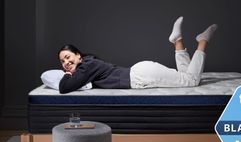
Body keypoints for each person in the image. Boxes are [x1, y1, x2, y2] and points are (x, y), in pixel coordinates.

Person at [58, 16, 218, 94]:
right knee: (185, 77)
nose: (65, 62)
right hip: (141, 73)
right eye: (62, 61)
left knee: (191, 81)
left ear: (78, 55)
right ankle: (177, 41)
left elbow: (64, 88)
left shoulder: (86, 66)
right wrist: (71, 72)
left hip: (141, 77)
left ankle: (202, 41)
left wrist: (67, 74)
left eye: (67, 57)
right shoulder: (88, 64)